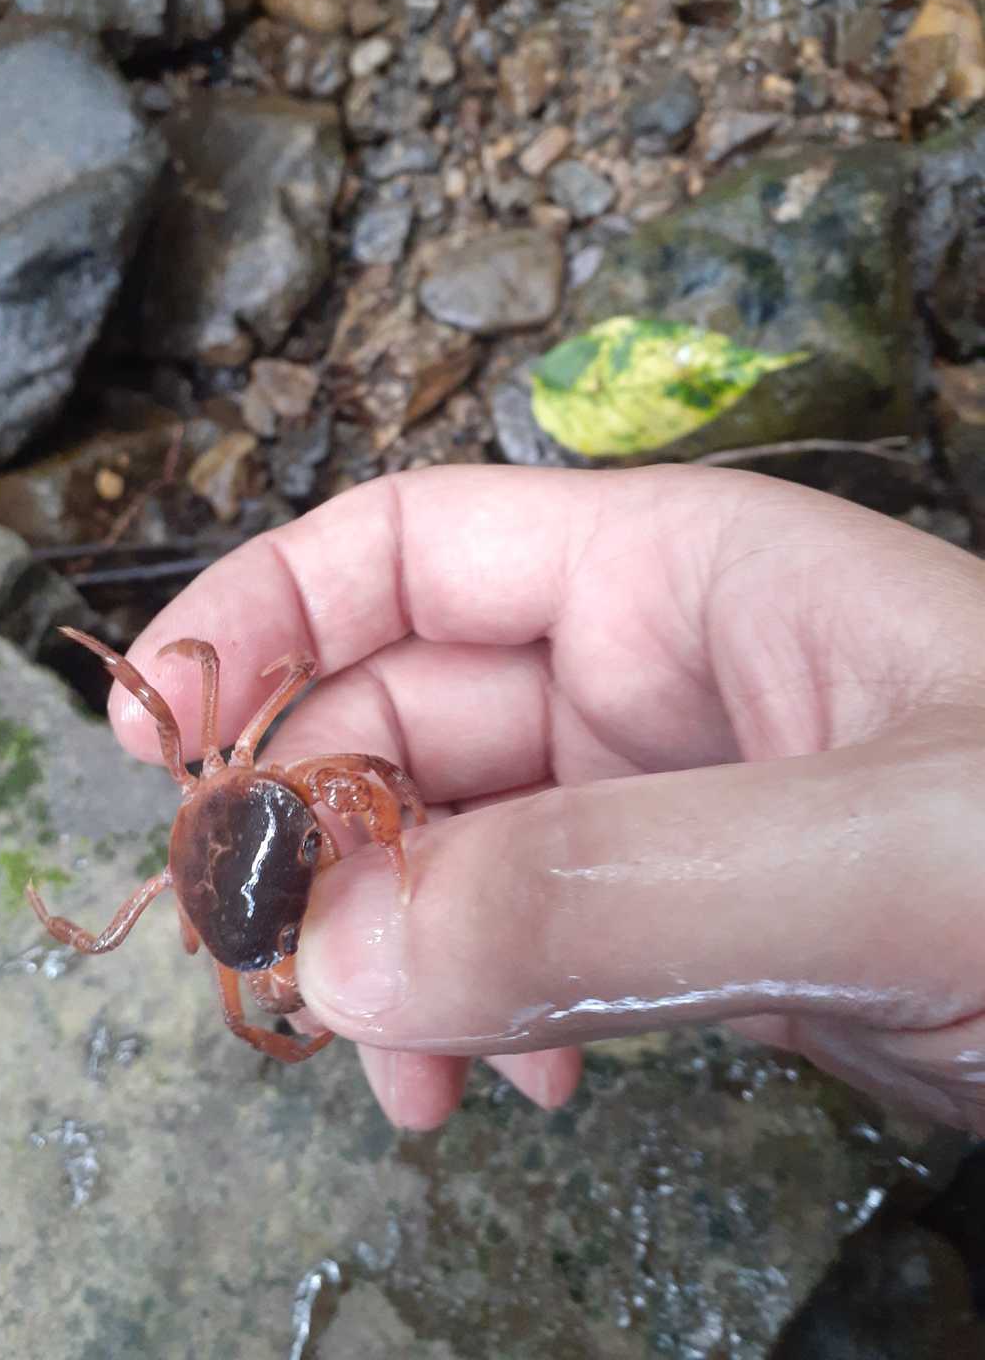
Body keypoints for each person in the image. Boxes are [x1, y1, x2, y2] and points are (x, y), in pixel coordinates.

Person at [109, 464, 985, 1134]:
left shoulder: (262, 769)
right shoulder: (253, 809)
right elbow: (258, 1005)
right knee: (328, 861)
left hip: (254, 803)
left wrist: (410, 857)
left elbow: (358, 748)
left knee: (368, 773)